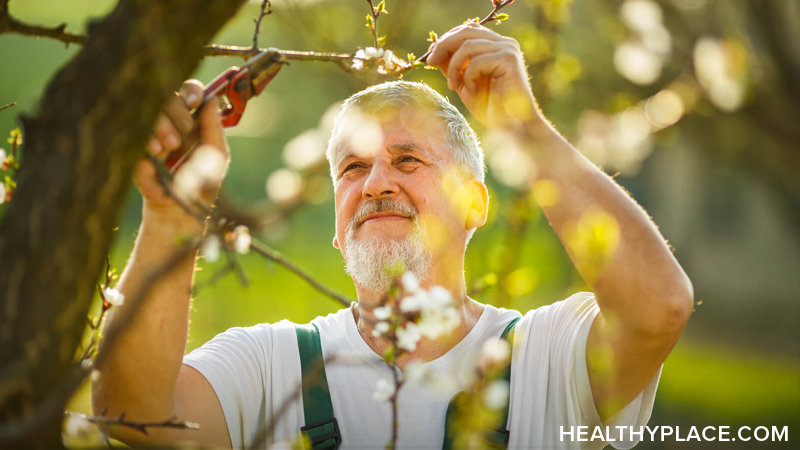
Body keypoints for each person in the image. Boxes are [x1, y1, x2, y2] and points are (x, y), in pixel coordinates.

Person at [92, 23, 693, 449]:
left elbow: (659, 308)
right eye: (353, 168)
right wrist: (174, 214)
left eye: (407, 161)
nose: (376, 182)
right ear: (335, 223)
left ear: (474, 204)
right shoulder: (271, 364)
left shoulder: (547, 358)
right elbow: (133, 415)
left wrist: (525, 128)